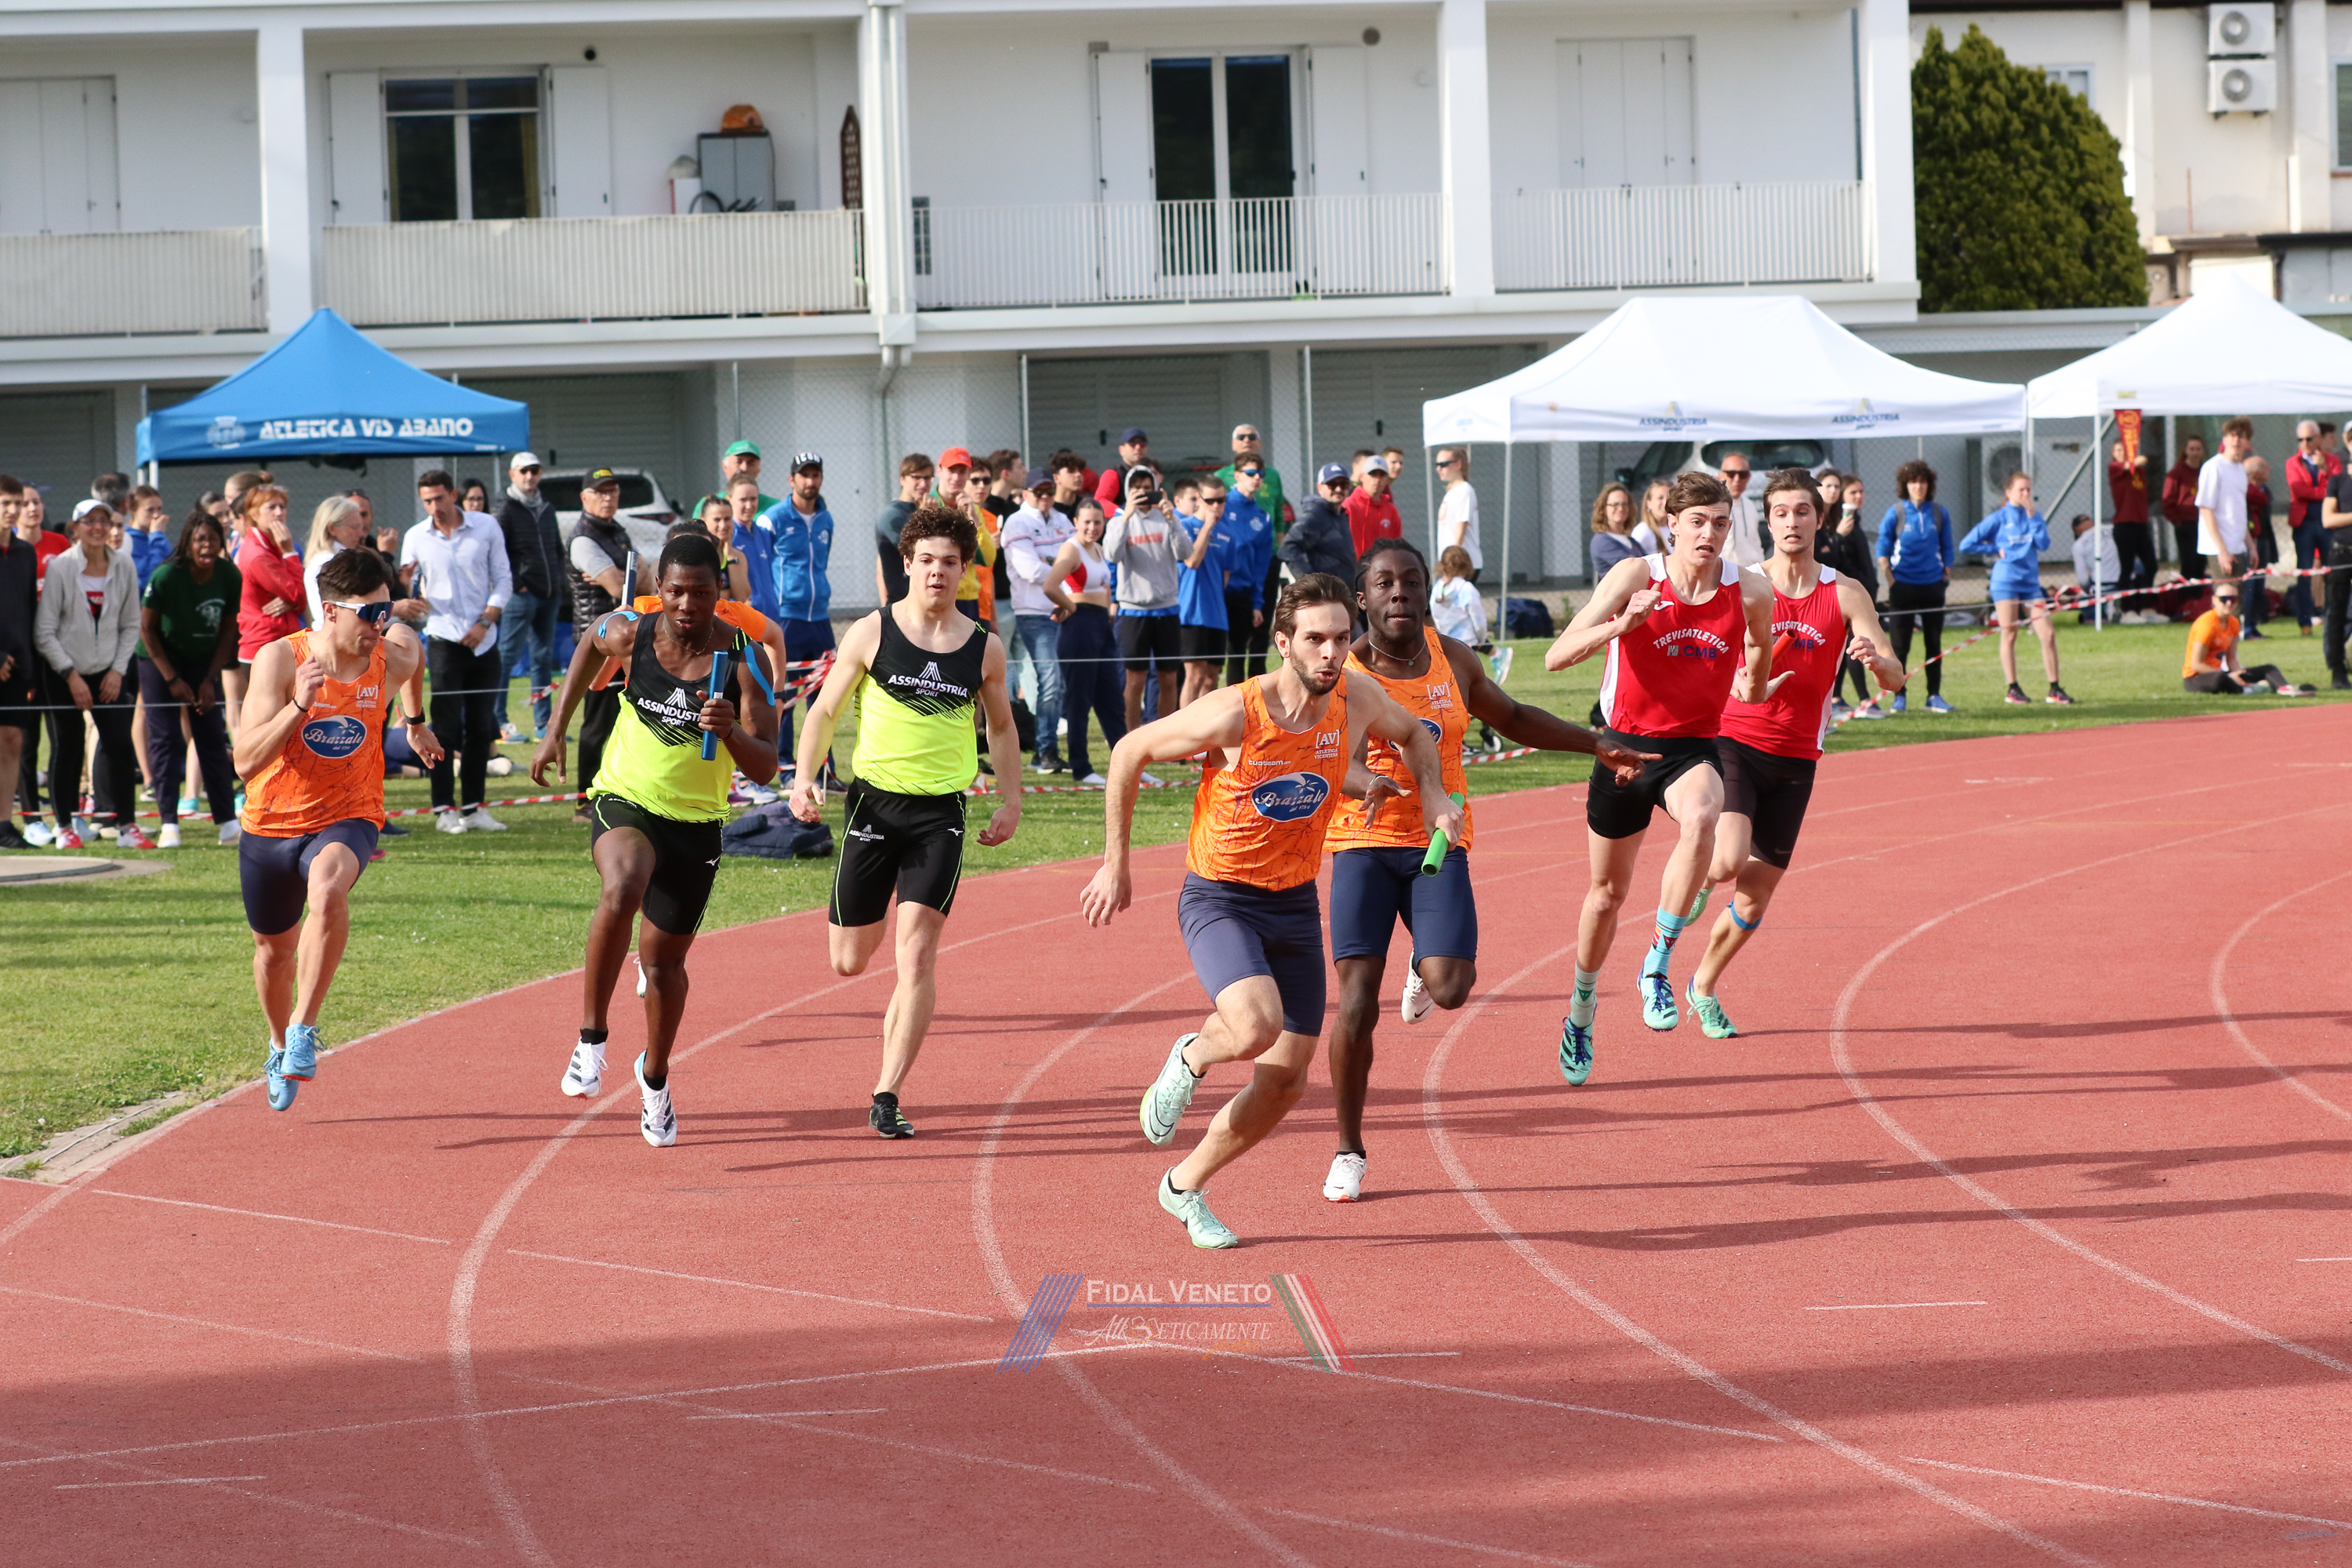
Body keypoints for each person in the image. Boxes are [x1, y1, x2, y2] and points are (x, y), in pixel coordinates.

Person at [1080, 572, 1458, 1248]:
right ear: (1284, 642)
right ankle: (1193, 1054)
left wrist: (1425, 794)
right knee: (1255, 1025)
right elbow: (1130, 750)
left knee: (1284, 1083)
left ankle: (1183, 1187)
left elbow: (1414, 736)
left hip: (1293, 903)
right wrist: (1116, 863)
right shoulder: (1235, 711)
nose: (1330, 652)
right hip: (1221, 896)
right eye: (1315, 639)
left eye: (1340, 637)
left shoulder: (1354, 695)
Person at [1320, 540, 1648, 1200]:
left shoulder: (1454, 658)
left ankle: (1423, 964)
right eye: (1384, 584)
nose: (1399, 593)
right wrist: (1364, 783)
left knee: (1450, 987)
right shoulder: (1345, 670)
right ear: (1362, 599)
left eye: (1411, 582)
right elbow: (1334, 758)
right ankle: (1348, 1149)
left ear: (1428, 591)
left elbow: (1514, 716)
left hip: (1439, 840)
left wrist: (1595, 743)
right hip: (1362, 841)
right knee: (1355, 1004)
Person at [530, 532, 779, 1145]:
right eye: (675, 592)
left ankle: (656, 1076)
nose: (687, 604)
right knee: (623, 885)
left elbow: (767, 766)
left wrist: (731, 733)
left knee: (664, 967)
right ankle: (591, 1040)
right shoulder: (633, 633)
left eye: (701, 592)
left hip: (695, 824)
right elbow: (590, 642)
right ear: (659, 591)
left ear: (719, 592)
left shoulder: (744, 660)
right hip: (626, 798)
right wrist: (556, 729)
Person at [789, 505, 1023, 1139]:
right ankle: (872, 955)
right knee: (849, 961)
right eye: (926, 561)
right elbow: (825, 711)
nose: (937, 572)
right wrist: (804, 777)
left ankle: (887, 1092)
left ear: (965, 570)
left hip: (939, 814)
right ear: (907, 565)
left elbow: (1002, 728)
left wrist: (1011, 800)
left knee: (916, 958)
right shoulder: (872, 632)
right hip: (873, 806)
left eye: (949, 562)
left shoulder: (983, 647)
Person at [1544, 471, 1773, 1079]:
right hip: (1621, 750)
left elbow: (1755, 670)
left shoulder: (1751, 591)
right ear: (1671, 524)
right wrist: (1621, 626)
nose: (1708, 534)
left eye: (1720, 523)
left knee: (1703, 815)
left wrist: (1755, 686)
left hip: (1691, 748)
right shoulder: (1635, 576)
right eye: (1696, 522)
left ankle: (1657, 965)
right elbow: (1556, 655)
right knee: (1606, 897)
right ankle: (1581, 1011)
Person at [1684, 470, 1905, 1038]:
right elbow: (1706, 654)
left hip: (1798, 756)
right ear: (1767, 521)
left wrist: (1875, 660)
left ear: (1818, 519)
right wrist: (1734, 678)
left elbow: (1895, 677)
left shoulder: (1846, 592)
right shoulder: (1743, 583)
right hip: (1734, 740)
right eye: (1780, 513)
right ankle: (1696, 884)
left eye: (1801, 511)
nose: (1791, 522)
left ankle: (1702, 985)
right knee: (1728, 861)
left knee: (1753, 902)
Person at [234, 548, 440, 1110]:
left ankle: (303, 1029)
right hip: (270, 824)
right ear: (330, 611)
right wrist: (299, 705)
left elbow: (413, 650)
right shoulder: (280, 659)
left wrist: (414, 721)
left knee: (327, 890)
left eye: (386, 611)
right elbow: (245, 762)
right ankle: (279, 1042)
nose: (381, 624)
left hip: (349, 814)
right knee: (274, 954)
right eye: (370, 613)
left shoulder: (390, 657)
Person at [402, 469, 514, 833]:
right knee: (445, 729)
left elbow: (504, 578)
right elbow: (408, 585)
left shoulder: (486, 526)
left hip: (484, 639)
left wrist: (485, 622)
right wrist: (408, 593)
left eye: (439, 498)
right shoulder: (415, 536)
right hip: (442, 639)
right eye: (427, 501)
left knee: (482, 728)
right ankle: (443, 809)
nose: (434, 506)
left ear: (453, 495)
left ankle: (474, 808)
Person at [34, 501, 149, 848]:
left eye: (104, 520)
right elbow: (45, 631)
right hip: (63, 672)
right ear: (76, 527)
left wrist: (116, 671)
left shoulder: (124, 565)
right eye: (90, 521)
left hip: (108, 672)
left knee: (119, 745)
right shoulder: (61, 567)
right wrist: (70, 675)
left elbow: (131, 624)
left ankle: (126, 826)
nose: (98, 527)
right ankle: (65, 825)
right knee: (67, 746)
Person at [137, 510, 243, 848]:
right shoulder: (167, 575)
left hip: (203, 661)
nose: (207, 545)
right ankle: (169, 822)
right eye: (200, 539)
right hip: (159, 660)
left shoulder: (229, 574)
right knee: (166, 739)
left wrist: (211, 678)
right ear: (187, 543)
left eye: (213, 539)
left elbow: (228, 630)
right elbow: (146, 630)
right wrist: (172, 680)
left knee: (211, 736)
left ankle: (227, 822)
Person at [739, 452, 834, 768]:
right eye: (804, 475)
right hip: (787, 617)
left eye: (815, 474)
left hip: (820, 617)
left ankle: (824, 768)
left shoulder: (826, 518)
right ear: (792, 479)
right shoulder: (772, 519)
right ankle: (783, 764)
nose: (810, 481)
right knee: (784, 694)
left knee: (824, 696)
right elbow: (759, 565)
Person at [564, 467, 644, 817]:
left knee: (626, 720)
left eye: (612, 491)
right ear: (585, 498)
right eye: (600, 492)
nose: (608, 497)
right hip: (596, 642)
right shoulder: (583, 538)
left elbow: (642, 580)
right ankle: (585, 799)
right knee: (597, 724)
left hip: (623, 638)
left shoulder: (617, 531)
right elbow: (619, 586)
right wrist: (625, 576)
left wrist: (627, 576)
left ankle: (618, 791)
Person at [1959, 472, 2074, 706]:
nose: (2026, 494)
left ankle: (2054, 688)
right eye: (2021, 490)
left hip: (2030, 585)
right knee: (2010, 632)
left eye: (2029, 490)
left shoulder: (2034, 516)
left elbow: (2043, 544)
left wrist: (2033, 517)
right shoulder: (1999, 518)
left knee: (2048, 634)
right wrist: (1995, 549)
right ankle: (2013, 688)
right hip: (2006, 583)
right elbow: (1967, 544)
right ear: (2009, 492)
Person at [1106, 464, 1192, 731]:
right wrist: (1126, 517)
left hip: (1167, 608)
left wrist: (1172, 519)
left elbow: (1185, 553)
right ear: (1128, 491)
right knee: (1135, 681)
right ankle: (1131, 738)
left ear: (1156, 489)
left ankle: (1166, 740)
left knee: (1169, 679)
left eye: (1147, 488)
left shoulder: (1167, 518)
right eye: (1137, 489)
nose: (1143, 493)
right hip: (1134, 611)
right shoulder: (1119, 519)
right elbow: (1112, 555)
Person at [1044, 496, 1123, 785]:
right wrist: (1072, 607)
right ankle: (1082, 767)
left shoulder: (1098, 549)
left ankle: (1127, 763)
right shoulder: (1071, 548)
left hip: (1101, 626)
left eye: (1098, 522)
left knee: (1112, 701)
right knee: (1079, 700)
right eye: (1087, 522)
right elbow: (1050, 585)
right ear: (1076, 522)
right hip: (1080, 628)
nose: (1092, 527)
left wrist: (1109, 611)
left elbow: (1105, 587)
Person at [1001, 467, 1076, 772]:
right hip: (1033, 612)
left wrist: (1052, 563)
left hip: (1066, 606)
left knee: (1060, 684)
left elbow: (1078, 559)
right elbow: (1029, 570)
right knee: (1050, 680)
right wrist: (1062, 566)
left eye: (1049, 491)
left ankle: (1049, 750)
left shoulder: (1062, 520)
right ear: (1025, 494)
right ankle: (1045, 751)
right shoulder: (1017, 522)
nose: (1045, 497)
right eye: (1038, 492)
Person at [494, 452, 565, 743]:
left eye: (534, 471)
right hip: (521, 596)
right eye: (523, 471)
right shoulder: (505, 508)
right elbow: (498, 552)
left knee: (543, 659)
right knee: (506, 658)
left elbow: (557, 548)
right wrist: (518, 584)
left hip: (548, 595)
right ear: (512, 474)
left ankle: (543, 724)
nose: (529, 476)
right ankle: (498, 722)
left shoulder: (546, 507)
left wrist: (558, 582)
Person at [1875, 460, 1955, 714]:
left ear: (1929, 485)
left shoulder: (1939, 512)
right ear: (1905, 485)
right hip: (1903, 587)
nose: (1918, 486)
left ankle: (1934, 695)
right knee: (1900, 646)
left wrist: (1945, 575)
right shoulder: (1896, 512)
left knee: (1934, 644)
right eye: (1913, 482)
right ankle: (1899, 696)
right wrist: (1890, 579)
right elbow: (1882, 548)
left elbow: (1948, 546)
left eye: (1922, 482)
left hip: (1933, 586)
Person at [231, 483, 305, 734]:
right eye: (271, 507)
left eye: (282, 506)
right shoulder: (258, 554)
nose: (279, 513)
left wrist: (293, 600)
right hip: (264, 647)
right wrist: (290, 552)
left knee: (287, 726)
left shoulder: (269, 545)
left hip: (278, 644)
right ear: (253, 514)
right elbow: (299, 596)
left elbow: (297, 598)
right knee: (270, 729)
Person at [1814, 474, 1881, 717]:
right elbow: (1827, 558)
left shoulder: (1846, 519)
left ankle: (1839, 697)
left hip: (1859, 588)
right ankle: (1863, 700)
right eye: (1828, 486)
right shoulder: (1821, 521)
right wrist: (1839, 537)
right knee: (1855, 643)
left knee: (1849, 645)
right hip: (1835, 592)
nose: (1833, 491)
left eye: (1836, 487)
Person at [2182, 585, 2311, 695]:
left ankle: (2285, 689)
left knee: (2269, 668)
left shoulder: (2234, 623)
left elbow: (2231, 658)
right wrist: (2229, 676)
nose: (2229, 603)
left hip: (2221, 672)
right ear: (2214, 600)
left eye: (2233, 599)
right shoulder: (2206, 625)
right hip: (2197, 677)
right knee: (2220, 678)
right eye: (2224, 599)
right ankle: (2249, 690)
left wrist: (2238, 674)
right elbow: (2196, 665)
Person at [1174, 475, 1235, 708]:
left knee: (1211, 679)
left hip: (1217, 614)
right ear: (1199, 499)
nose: (1216, 506)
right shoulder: (1185, 526)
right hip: (1192, 611)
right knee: (1195, 675)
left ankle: (1205, 728)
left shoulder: (1227, 534)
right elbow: (1192, 561)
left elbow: (1225, 576)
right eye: (1210, 501)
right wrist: (1208, 526)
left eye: (1221, 500)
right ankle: (1186, 727)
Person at [1218, 462, 1274, 688]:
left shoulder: (1262, 517)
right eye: (1251, 473)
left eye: (1260, 473)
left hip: (1242, 592)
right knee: (1206, 659)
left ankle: (1241, 705)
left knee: (1237, 652)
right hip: (1216, 590)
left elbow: (1261, 567)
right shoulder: (1220, 505)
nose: (1257, 478)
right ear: (1237, 475)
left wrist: (1257, 602)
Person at [2285, 420, 2338, 633]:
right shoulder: (2292, 463)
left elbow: (2337, 487)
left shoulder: (2332, 461)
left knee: (2332, 574)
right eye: (2301, 439)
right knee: (2305, 573)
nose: (2305, 443)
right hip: (2304, 525)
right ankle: (2305, 622)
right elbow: (2299, 491)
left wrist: (2324, 469)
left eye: (2309, 438)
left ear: (2318, 439)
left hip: (2328, 524)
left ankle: (2334, 619)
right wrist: (2323, 492)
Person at [1279, 463, 1356, 582]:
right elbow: (1287, 548)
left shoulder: (1342, 515)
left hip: (1344, 588)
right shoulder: (1315, 515)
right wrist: (1310, 582)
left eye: (1343, 484)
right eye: (1332, 484)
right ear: (1320, 488)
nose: (1338, 489)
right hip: (1326, 590)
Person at [301, 495, 368, 626]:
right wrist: (395, 610)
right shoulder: (331, 562)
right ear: (332, 529)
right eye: (354, 527)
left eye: (361, 527)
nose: (361, 534)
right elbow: (350, 611)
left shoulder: (327, 558)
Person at [2109, 438, 2157, 619]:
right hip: (2124, 525)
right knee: (2127, 568)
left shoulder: (2139, 471)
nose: (2121, 453)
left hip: (2140, 525)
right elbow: (2138, 461)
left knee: (2151, 566)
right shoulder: (2115, 468)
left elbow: (2141, 462)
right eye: (2118, 450)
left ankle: (2145, 606)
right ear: (2113, 454)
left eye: (2124, 450)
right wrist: (2134, 460)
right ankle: (2126, 609)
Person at [876, 454, 932, 607]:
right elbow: (921, 549)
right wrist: (928, 517)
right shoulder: (892, 515)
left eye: (927, 478)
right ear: (902, 479)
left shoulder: (920, 510)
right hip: (901, 603)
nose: (923, 484)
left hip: (922, 601)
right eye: (916, 478)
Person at [2162, 435, 2208, 583]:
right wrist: (2177, 521)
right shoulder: (2177, 472)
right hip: (2186, 523)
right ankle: (2186, 594)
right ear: (2186, 451)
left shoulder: (2205, 471)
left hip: (2204, 522)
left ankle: (2198, 595)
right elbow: (2168, 499)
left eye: (2198, 449)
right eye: (2192, 449)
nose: (2195, 453)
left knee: (2201, 562)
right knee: (2189, 562)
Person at [1342, 456, 1403, 560]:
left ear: (1387, 479)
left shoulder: (1391, 510)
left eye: (1382, 475)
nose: (1377, 480)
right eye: (1373, 474)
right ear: (1362, 477)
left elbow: (1397, 546)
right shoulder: (1349, 506)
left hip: (1382, 568)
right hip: (1353, 567)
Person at [1434, 446, 1480, 577]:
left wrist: (1453, 561)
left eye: (1443, 464)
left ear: (1458, 465)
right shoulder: (1452, 492)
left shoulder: (1464, 491)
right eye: (1437, 465)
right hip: (1451, 563)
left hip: (1462, 564)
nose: (1439, 469)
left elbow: (1461, 528)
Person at [1430, 546, 1487, 648]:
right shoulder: (1467, 589)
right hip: (1467, 645)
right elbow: (1479, 621)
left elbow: (1435, 617)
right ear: (1467, 566)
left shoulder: (1437, 589)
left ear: (1442, 566)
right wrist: (1481, 640)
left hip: (1445, 645)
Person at [1719, 452, 1763, 569]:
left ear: (1749, 477)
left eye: (1742, 475)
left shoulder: (1750, 506)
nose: (1737, 479)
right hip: (1723, 570)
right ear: (1721, 475)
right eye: (1731, 474)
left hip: (1751, 570)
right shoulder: (1714, 506)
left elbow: (1756, 543)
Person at [122, 485, 172, 589]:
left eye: (159, 509)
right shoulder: (127, 540)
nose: (156, 515)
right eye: (150, 510)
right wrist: (157, 535)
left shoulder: (157, 536)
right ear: (134, 510)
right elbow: (148, 576)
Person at [1588, 483, 1642, 578]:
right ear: (1604, 509)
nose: (1620, 509)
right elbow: (1631, 566)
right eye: (1615, 504)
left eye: (1624, 504)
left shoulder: (1630, 541)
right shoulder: (1601, 541)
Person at [1093, 428, 1151, 510]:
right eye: (1133, 444)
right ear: (1121, 450)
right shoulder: (1113, 474)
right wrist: (1123, 513)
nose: (1138, 447)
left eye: (1143, 444)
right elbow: (1100, 502)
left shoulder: (1151, 472)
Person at [2069, 514, 2120, 604]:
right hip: (2127, 583)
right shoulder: (2113, 529)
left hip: (2102, 588)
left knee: (2082, 604)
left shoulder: (2079, 544)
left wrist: (2087, 590)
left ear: (2077, 529)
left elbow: (2083, 580)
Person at [1633, 478, 1671, 555]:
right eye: (1660, 498)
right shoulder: (1642, 531)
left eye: (1669, 498)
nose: (1665, 502)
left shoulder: (1674, 528)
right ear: (1649, 503)